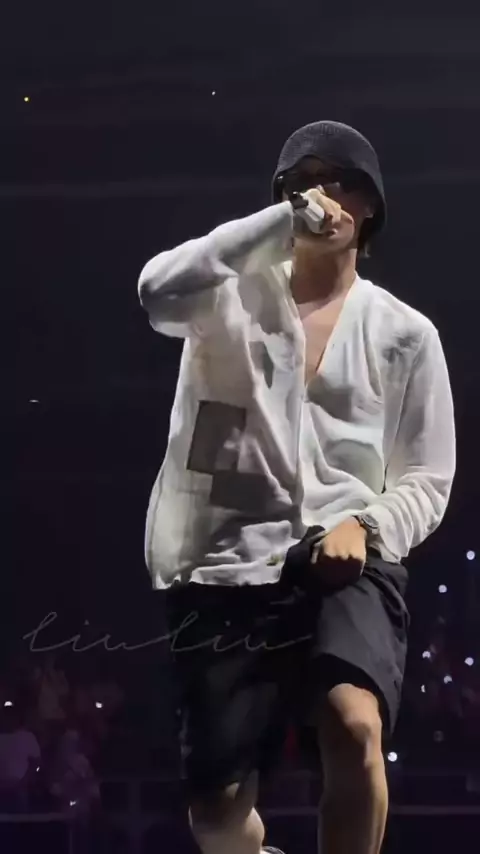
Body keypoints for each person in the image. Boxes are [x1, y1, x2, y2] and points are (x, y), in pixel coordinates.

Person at [137, 121, 456, 854]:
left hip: (347, 556)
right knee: (218, 813)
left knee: (354, 724)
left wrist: (367, 528)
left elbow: (428, 477)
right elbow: (156, 290)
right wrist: (278, 222)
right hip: (225, 559)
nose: (323, 197)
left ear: (371, 206)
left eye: (341, 182)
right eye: (303, 183)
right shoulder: (225, 295)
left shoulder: (405, 334)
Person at [0, 705, 41, 812]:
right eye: (5, 716)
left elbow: (36, 763)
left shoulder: (27, 737)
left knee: (20, 816)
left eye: (10, 716)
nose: (7, 719)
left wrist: (25, 781)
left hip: (20, 788)